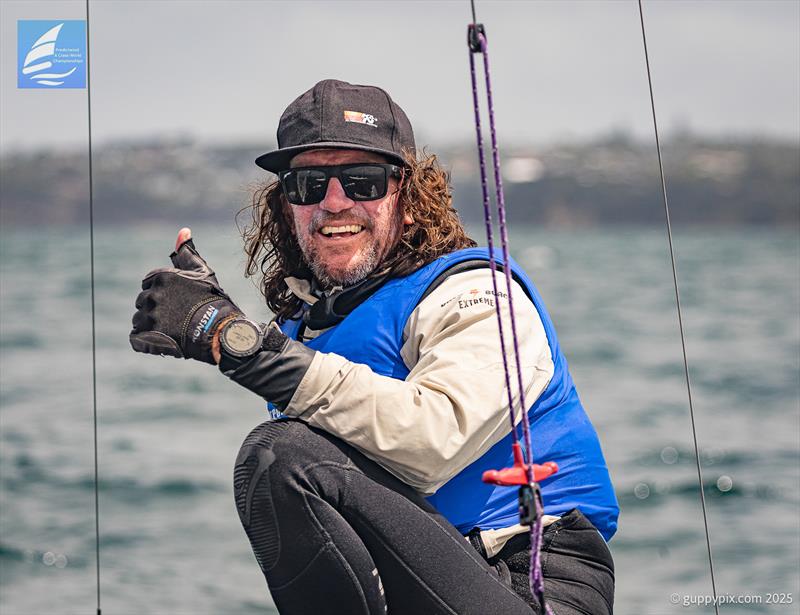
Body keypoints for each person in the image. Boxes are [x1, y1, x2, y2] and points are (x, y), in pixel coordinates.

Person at [130, 79, 618, 615]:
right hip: (431, 585)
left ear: (408, 200)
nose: (333, 202)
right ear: (286, 208)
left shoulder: (477, 294)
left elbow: (432, 439)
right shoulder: (308, 327)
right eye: (308, 184)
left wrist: (240, 345)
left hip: (533, 586)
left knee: (281, 457)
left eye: (362, 182)